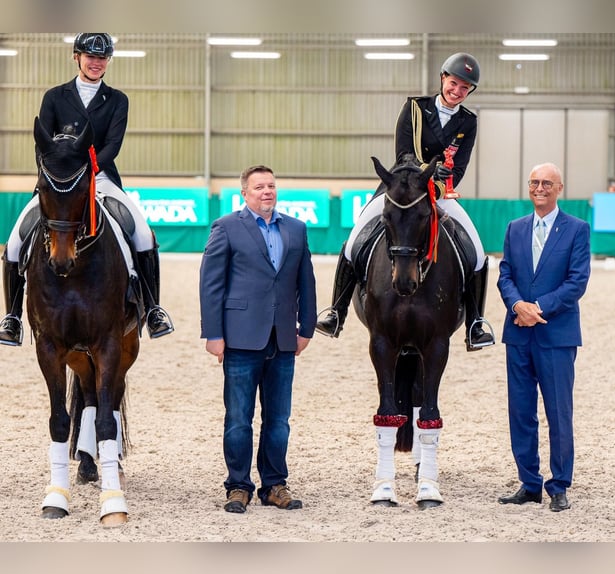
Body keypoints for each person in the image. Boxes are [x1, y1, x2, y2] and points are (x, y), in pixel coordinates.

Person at [0, 32, 173, 346]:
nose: (96, 63)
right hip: (59, 181)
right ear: (76, 57)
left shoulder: (117, 99)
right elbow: (43, 145)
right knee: (14, 242)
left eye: (102, 58)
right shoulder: (55, 96)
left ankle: (152, 310)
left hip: (101, 176)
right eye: (90, 57)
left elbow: (113, 145)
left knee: (144, 235)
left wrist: (90, 169)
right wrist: (56, 173)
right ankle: (12, 316)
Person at [315, 52, 495, 352]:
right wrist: (426, 172)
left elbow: (459, 167)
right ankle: (337, 311)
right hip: (401, 188)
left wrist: (438, 184)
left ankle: (475, 323)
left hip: (438, 191)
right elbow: (404, 154)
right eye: (454, 83)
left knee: (475, 250)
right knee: (354, 241)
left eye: (465, 88)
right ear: (443, 79)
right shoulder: (414, 107)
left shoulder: (468, 122)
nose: (457, 91)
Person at [199, 164, 317, 514]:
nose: (267, 191)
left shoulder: (296, 229)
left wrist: (306, 327)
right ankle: (238, 486)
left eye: (271, 186)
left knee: (279, 419)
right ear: (244, 194)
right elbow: (211, 283)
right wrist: (214, 333)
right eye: (259, 187)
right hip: (239, 337)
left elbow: (305, 281)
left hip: (283, 339)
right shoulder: (227, 228)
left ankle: (274, 485)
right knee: (238, 418)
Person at [496, 162, 591, 512]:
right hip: (518, 334)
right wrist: (517, 304)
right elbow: (505, 273)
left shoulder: (577, 229)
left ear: (559, 187)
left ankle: (559, 484)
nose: (540, 188)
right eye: (535, 182)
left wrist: (537, 308)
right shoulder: (515, 228)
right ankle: (529, 483)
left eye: (547, 183)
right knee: (521, 412)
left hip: (556, 335)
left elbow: (577, 281)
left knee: (558, 412)